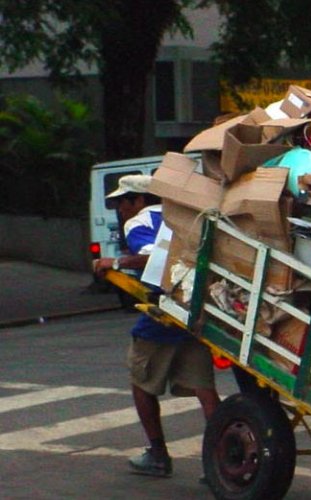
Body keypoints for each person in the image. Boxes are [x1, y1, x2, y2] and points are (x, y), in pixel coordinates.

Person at [93, 174, 219, 477]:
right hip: (198, 310)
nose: (120, 209)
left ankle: (158, 453)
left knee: (140, 380)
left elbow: (155, 258)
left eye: (123, 202)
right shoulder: (188, 217)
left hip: (166, 310)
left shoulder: (140, 221)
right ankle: (218, 459)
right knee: (204, 388)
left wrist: (117, 263)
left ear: (139, 201)